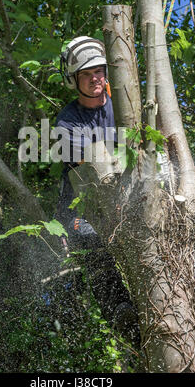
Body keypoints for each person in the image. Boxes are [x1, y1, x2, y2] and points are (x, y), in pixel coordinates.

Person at [54, 36, 140, 347]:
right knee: (95, 246)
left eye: (100, 71)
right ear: (73, 80)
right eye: (87, 74)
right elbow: (92, 166)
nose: (96, 79)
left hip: (123, 197)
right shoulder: (66, 123)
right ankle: (121, 316)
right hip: (83, 206)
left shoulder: (123, 108)